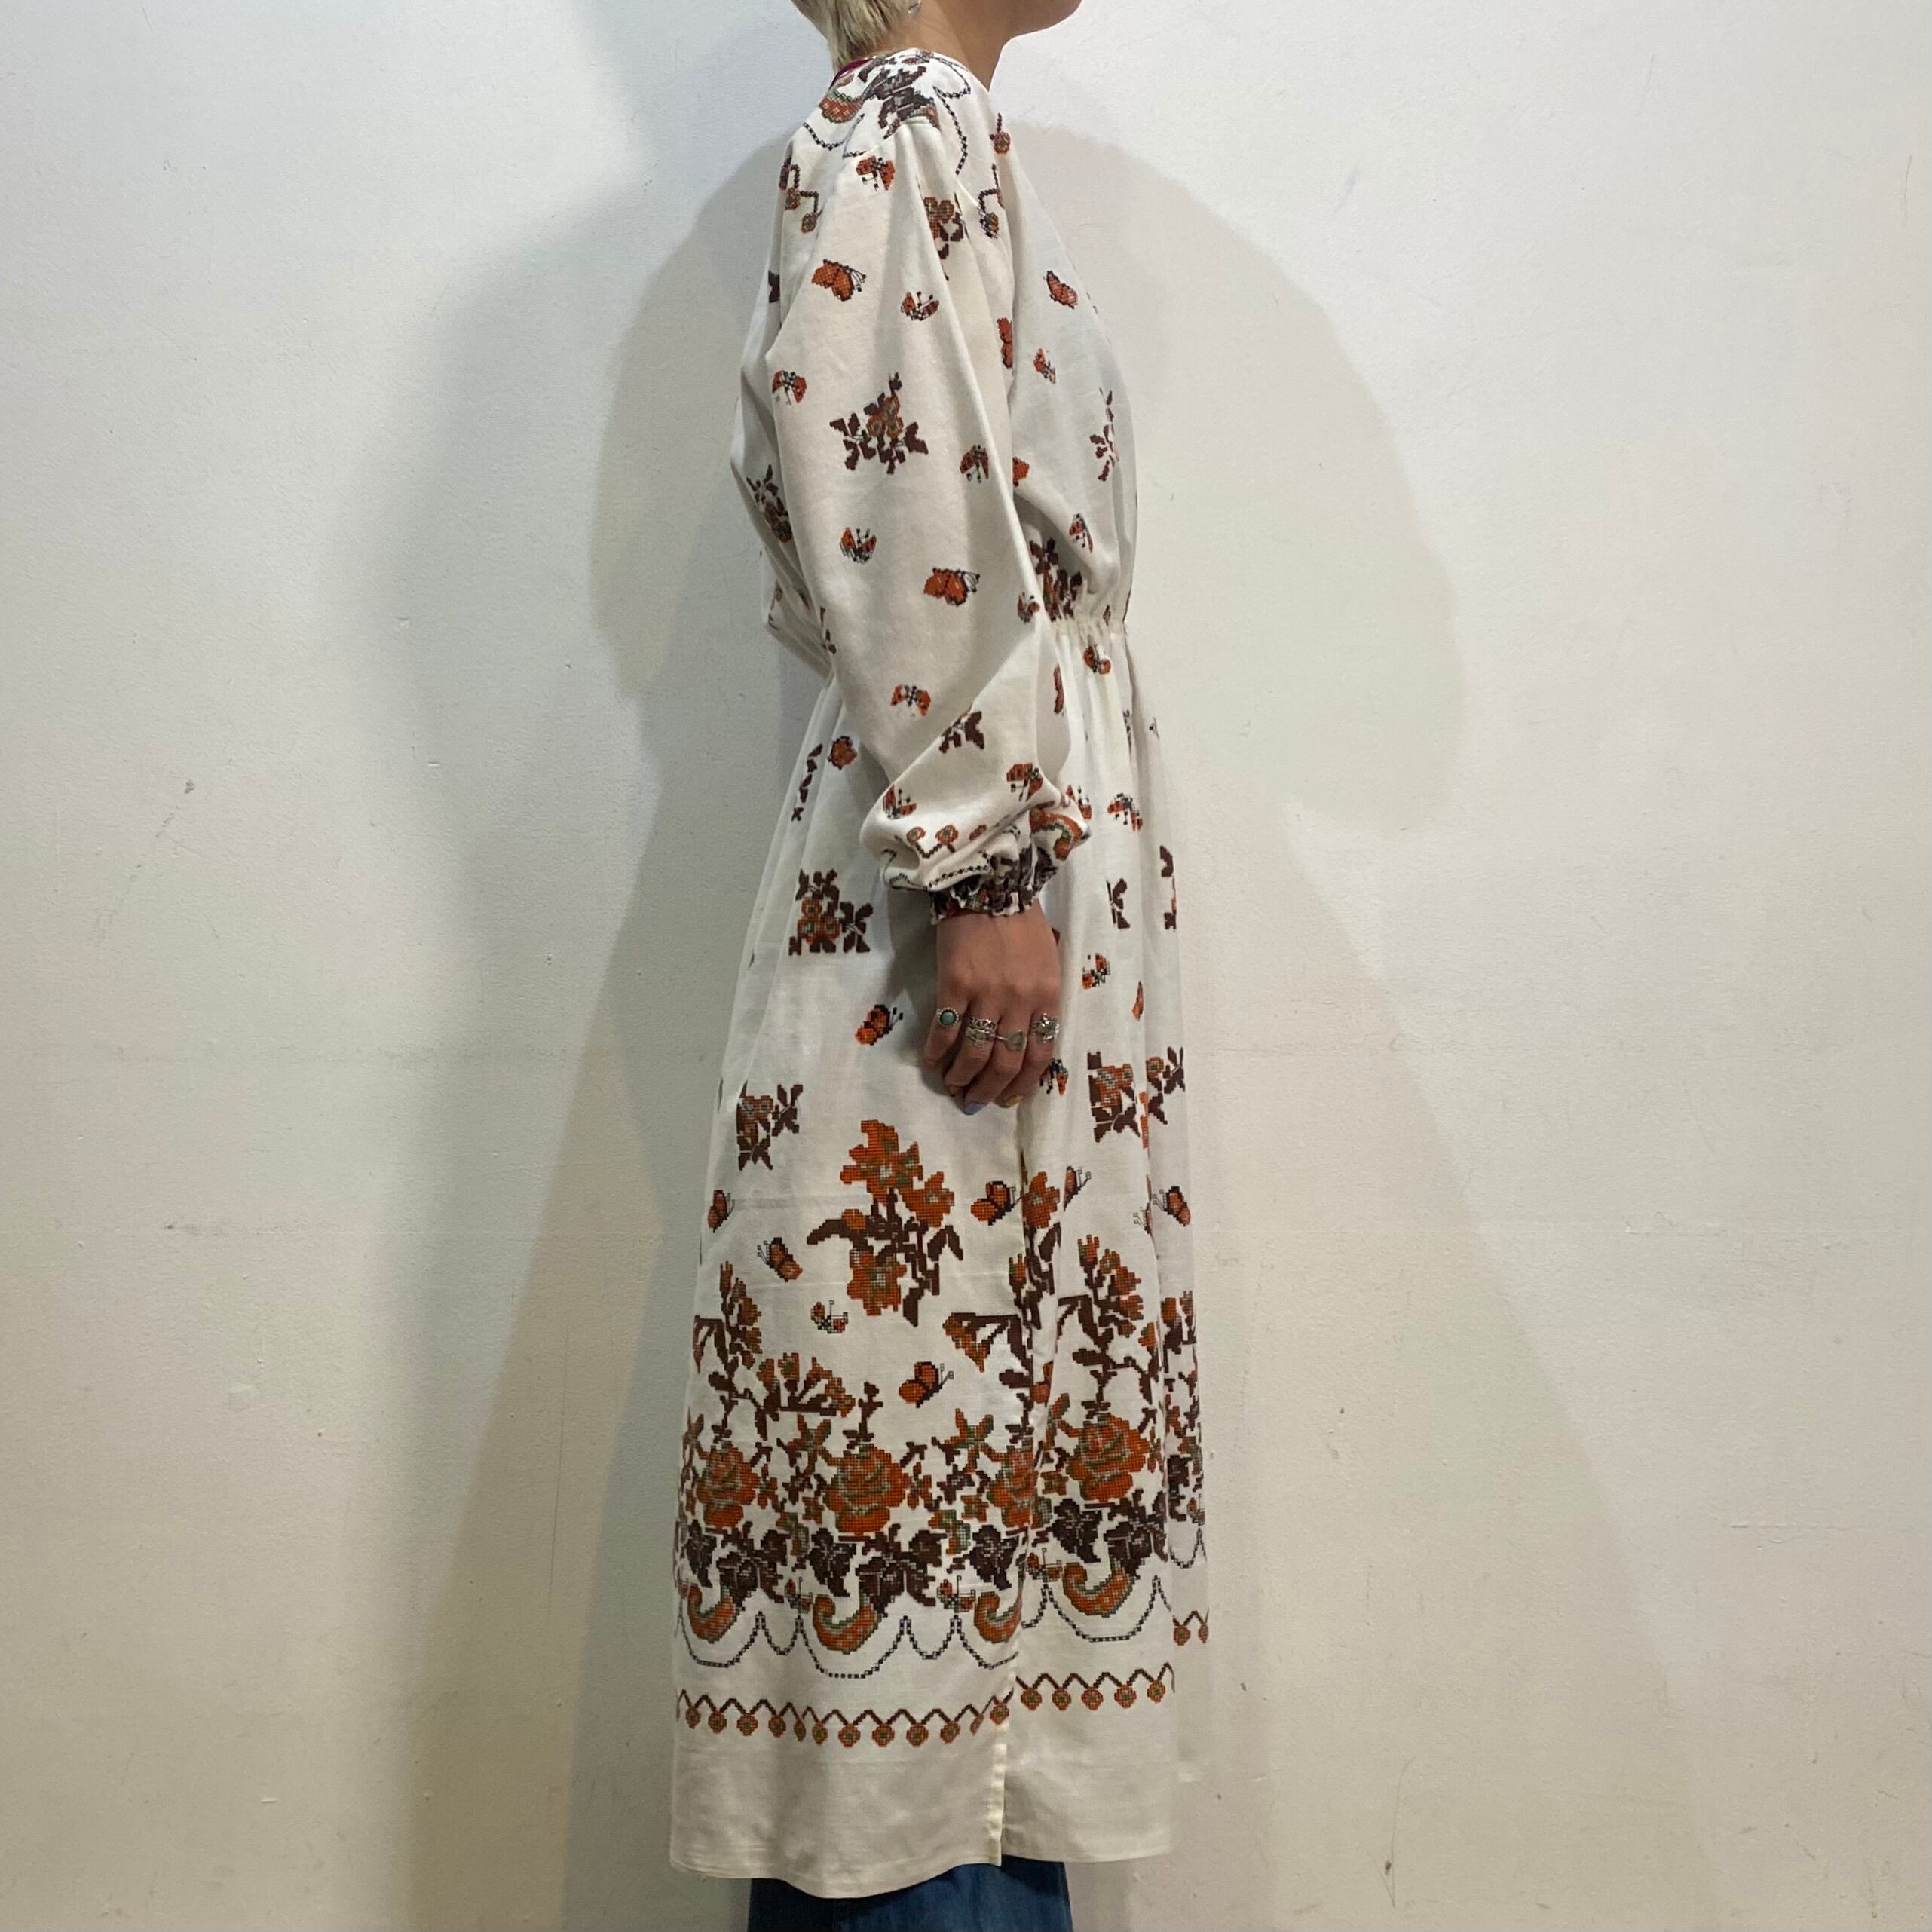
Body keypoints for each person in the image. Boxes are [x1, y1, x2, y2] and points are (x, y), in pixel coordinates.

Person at [667, 4, 1209, 1924]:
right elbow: (886, 504)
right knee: (937, 1540)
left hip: (985, 871)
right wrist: (978, 860)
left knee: (978, 1563)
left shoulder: (930, 134)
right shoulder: (902, 124)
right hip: (948, 916)